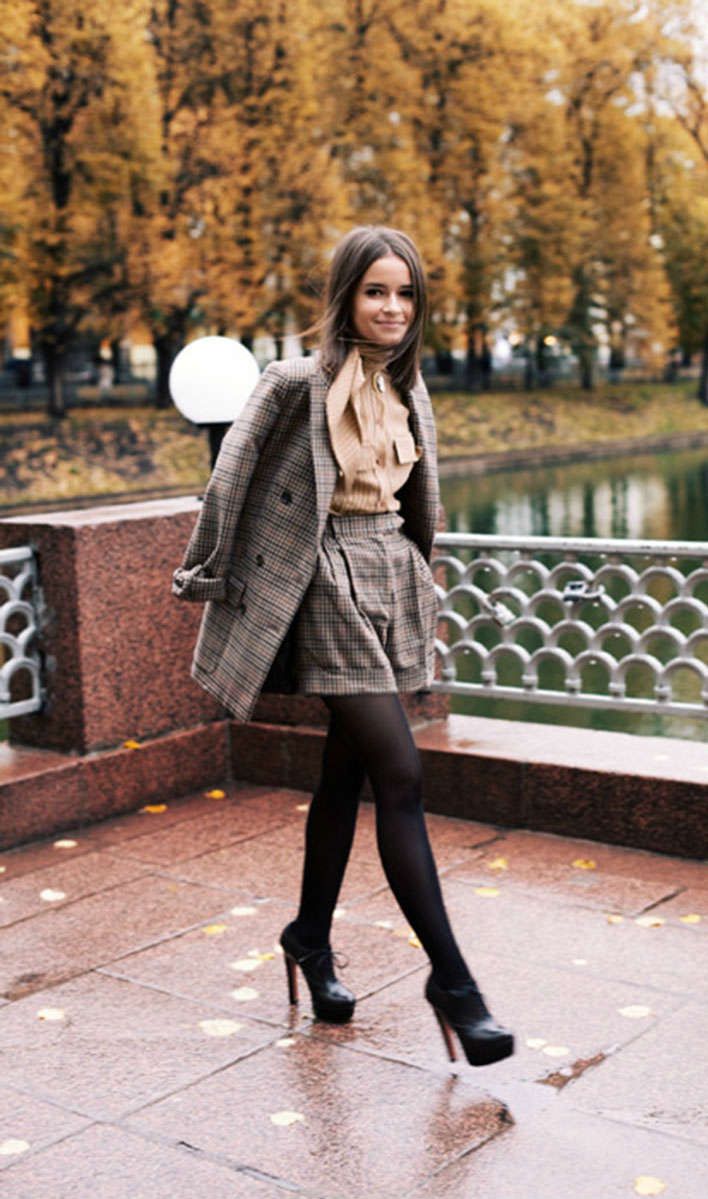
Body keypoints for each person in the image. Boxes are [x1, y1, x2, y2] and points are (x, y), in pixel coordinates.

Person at [172, 225, 513, 1067]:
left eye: (405, 293)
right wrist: (206, 576)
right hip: (322, 580)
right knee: (402, 773)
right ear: (345, 296)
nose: (392, 307)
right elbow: (229, 478)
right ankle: (455, 983)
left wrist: (419, 576)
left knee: (345, 773)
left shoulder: (408, 383)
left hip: (389, 575)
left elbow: (418, 493)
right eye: (375, 291)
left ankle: (307, 938)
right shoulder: (294, 382)